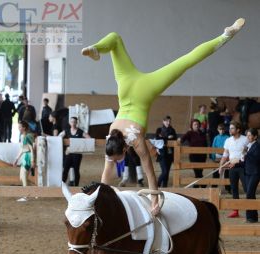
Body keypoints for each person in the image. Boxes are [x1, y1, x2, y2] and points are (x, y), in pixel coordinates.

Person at [81, 19, 245, 214]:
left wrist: (154, 201)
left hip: (144, 91)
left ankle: (225, 36)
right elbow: (108, 172)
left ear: (125, 148)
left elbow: (149, 171)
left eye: (119, 158)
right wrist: (100, 196)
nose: (118, 161)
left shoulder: (134, 139)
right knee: (117, 39)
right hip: (126, 85)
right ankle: (96, 47)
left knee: (186, 62)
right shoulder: (112, 134)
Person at [219, 121, 248, 218]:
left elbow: (247, 154)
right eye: (230, 128)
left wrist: (238, 161)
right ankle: (236, 211)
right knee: (234, 189)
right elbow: (225, 155)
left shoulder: (245, 139)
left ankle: (251, 209)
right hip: (232, 167)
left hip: (243, 167)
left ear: (238, 129)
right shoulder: (228, 140)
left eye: (232, 128)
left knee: (247, 188)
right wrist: (221, 166)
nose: (230, 130)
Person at [60, 116, 91, 186]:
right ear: (69, 123)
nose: (73, 123)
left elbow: (89, 138)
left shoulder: (80, 131)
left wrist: (80, 145)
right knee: (65, 170)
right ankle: (62, 185)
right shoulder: (66, 131)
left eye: (74, 122)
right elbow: (58, 137)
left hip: (77, 154)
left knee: (76, 170)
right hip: (68, 154)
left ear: (76, 123)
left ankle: (76, 185)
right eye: (71, 122)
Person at [178, 119, 207, 187]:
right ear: (192, 126)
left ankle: (197, 185)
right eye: (195, 124)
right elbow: (182, 139)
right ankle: (202, 184)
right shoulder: (189, 133)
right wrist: (179, 140)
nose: (196, 126)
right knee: (197, 171)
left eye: (197, 124)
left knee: (200, 170)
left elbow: (205, 143)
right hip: (193, 155)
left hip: (202, 155)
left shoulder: (202, 133)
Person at [155, 116, 177, 187]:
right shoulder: (159, 130)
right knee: (164, 172)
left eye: (169, 121)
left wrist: (164, 138)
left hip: (170, 154)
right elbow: (158, 138)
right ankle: (157, 184)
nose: (168, 122)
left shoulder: (172, 130)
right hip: (162, 154)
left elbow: (175, 139)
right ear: (163, 121)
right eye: (167, 121)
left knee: (167, 172)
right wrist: (167, 138)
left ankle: (165, 187)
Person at [243, 128, 260, 223]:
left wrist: (246, 154)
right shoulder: (249, 146)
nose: (248, 137)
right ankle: (253, 217)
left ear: (255, 136)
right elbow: (246, 161)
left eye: (249, 135)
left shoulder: (257, 146)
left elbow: (256, 159)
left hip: (255, 172)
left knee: (249, 193)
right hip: (248, 172)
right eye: (247, 135)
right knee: (250, 194)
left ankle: (250, 217)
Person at [13, 120, 35, 188]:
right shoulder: (23, 136)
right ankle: (36, 189)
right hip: (25, 157)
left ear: (24, 128)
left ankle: (26, 196)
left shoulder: (28, 136)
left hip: (28, 157)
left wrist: (32, 160)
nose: (18, 128)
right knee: (22, 178)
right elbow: (22, 149)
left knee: (24, 177)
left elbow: (31, 149)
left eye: (20, 127)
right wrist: (17, 159)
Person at [211, 123, 230, 191]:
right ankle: (214, 187)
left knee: (227, 173)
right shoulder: (216, 138)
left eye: (222, 129)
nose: (221, 131)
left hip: (225, 157)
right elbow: (213, 147)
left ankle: (228, 188)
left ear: (224, 130)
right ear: (218, 130)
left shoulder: (227, 137)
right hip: (217, 156)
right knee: (216, 172)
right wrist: (213, 156)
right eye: (220, 129)